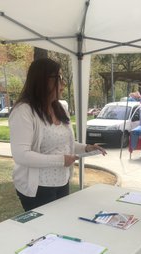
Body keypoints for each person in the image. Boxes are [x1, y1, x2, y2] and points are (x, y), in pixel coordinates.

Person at [9, 58, 106, 212]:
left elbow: (64, 144)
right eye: (59, 78)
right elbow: (21, 155)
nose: (63, 84)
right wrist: (60, 160)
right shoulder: (24, 111)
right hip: (37, 189)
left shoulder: (60, 107)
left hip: (62, 181)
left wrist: (86, 148)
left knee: (60, 228)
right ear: (43, 80)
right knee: (43, 232)